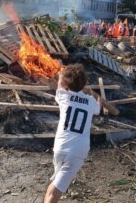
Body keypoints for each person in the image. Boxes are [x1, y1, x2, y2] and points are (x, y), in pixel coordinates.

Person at [44, 64, 107, 203]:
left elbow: (60, 83)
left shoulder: (63, 96)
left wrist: (62, 73)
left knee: (55, 185)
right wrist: (99, 100)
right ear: (85, 83)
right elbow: (98, 109)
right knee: (54, 192)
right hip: (77, 151)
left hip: (59, 148)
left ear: (66, 83)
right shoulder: (90, 102)